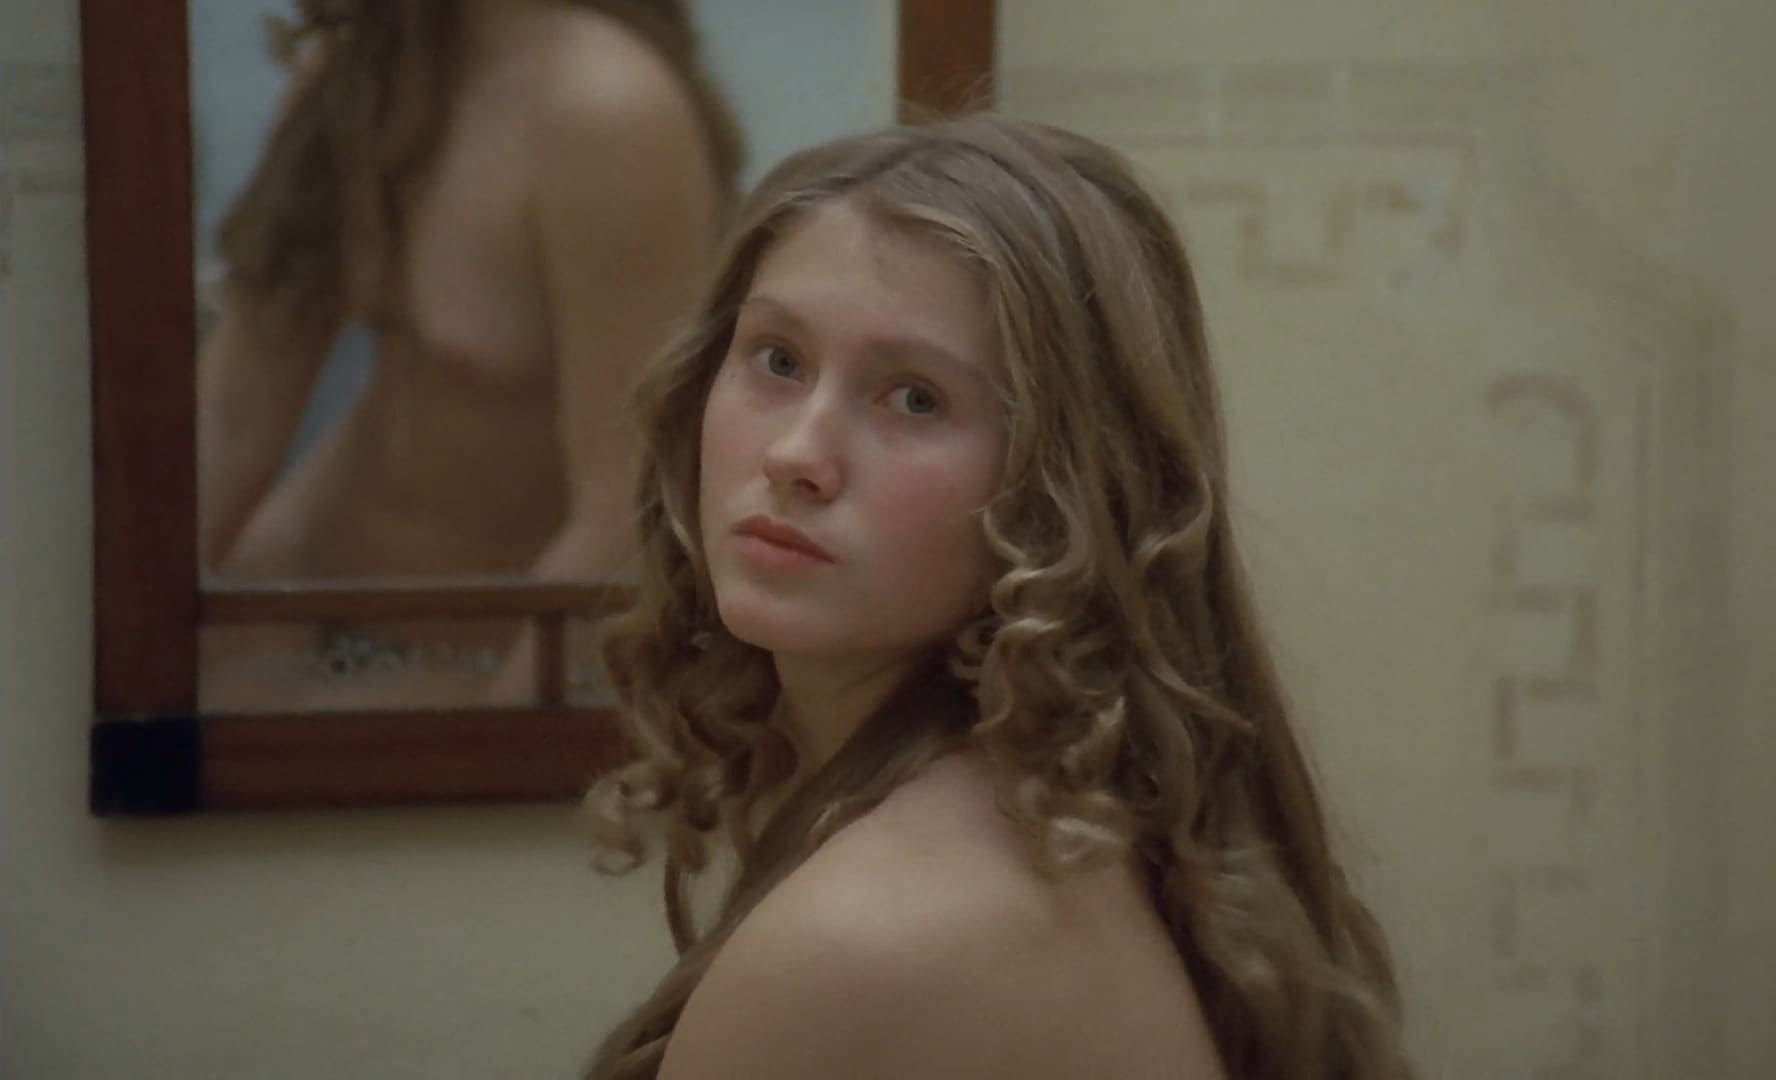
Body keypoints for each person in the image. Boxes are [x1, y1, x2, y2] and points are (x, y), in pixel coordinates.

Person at [580, 113, 1412, 1079]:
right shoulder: (1051, 821)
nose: (796, 453)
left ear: (1063, 491)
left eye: (915, 398)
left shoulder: (873, 936)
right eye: (778, 359)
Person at [196, 0, 740, 708]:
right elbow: (231, 413)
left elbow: (623, 523)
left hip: (479, 660)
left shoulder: (605, 112)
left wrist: (486, 742)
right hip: (293, 599)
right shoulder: (360, 77)